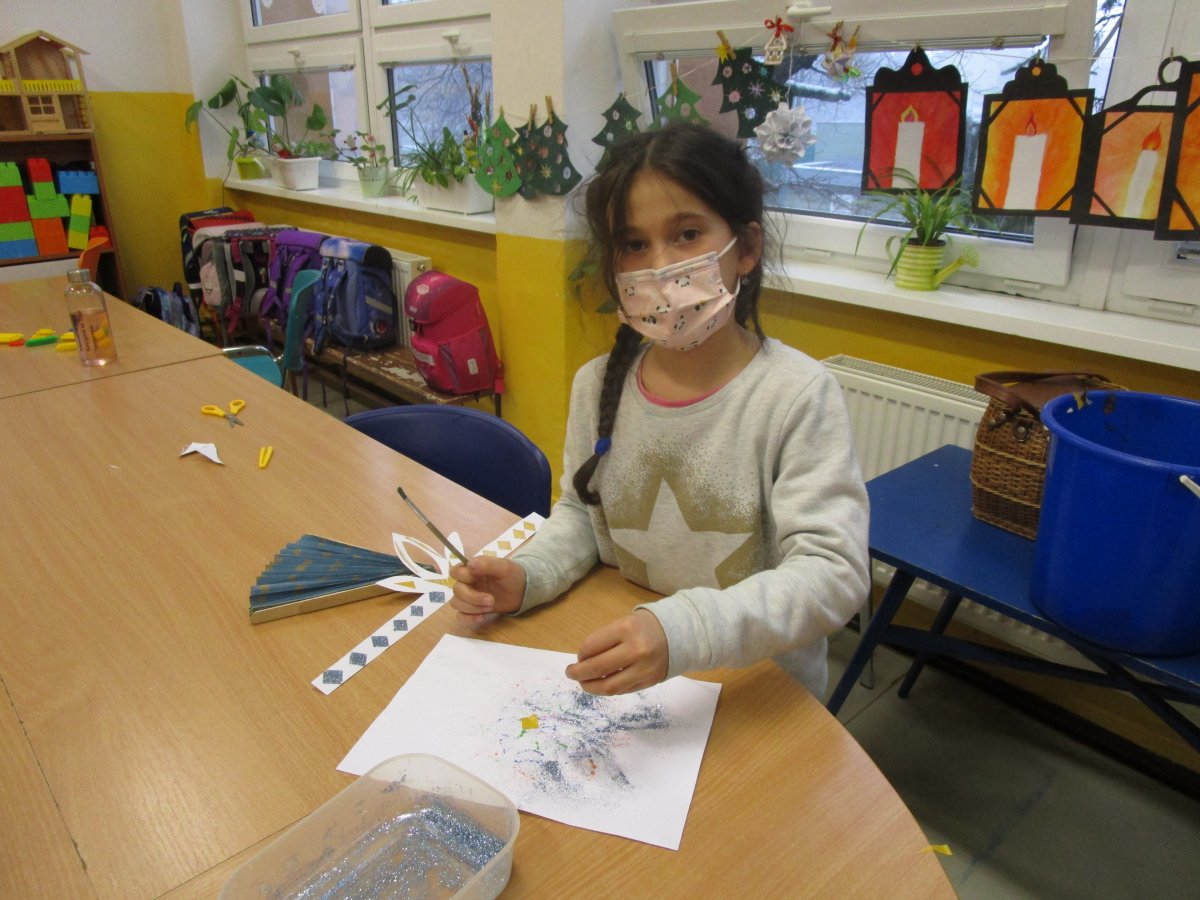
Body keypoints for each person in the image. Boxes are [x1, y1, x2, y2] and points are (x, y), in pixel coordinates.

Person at [450, 122, 870, 699]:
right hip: (635, 672)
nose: (660, 267)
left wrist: (684, 631)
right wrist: (529, 574)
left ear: (746, 249)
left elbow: (833, 573)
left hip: (757, 690)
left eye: (687, 234)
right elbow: (583, 513)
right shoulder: (597, 385)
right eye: (633, 244)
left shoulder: (796, 396)